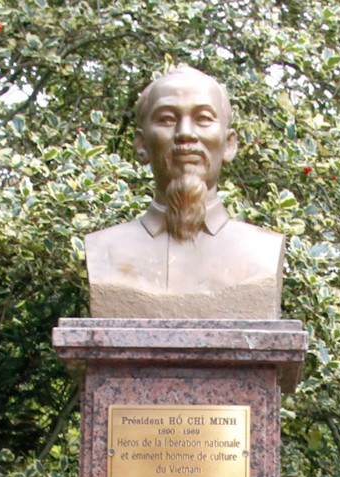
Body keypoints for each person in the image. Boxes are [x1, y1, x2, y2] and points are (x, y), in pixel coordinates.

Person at [84, 66, 285, 319]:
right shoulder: (104, 251)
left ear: (229, 144)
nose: (186, 134)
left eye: (203, 118)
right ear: (141, 144)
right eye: (167, 119)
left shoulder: (261, 253)